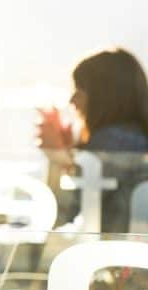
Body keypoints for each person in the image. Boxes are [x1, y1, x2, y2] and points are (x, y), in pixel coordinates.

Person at [38, 47, 148, 231]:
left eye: (79, 90)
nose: (72, 100)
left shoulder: (112, 142)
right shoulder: (133, 139)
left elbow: (60, 214)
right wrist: (72, 154)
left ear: (104, 97)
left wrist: (57, 157)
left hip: (114, 254)